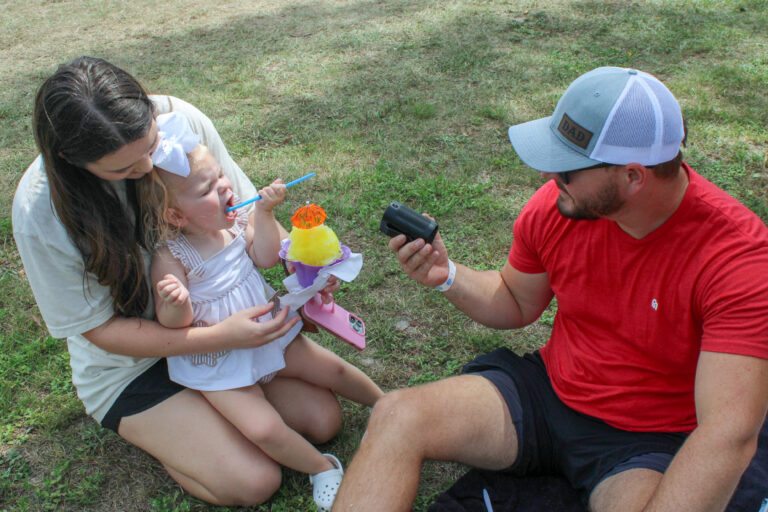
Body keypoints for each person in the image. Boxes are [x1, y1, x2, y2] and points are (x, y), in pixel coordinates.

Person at [332, 67, 768, 512]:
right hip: (549, 395)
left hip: (646, 441)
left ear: (633, 177)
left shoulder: (736, 259)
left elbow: (728, 433)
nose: (547, 173)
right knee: (397, 416)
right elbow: (516, 299)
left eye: (569, 168)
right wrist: (446, 275)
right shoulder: (560, 207)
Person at [12, 56, 346, 507]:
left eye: (151, 144)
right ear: (71, 160)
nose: (148, 164)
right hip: (134, 367)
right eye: (125, 169)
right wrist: (217, 337)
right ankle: (178, 437)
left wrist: (300, 269)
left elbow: (243, 211)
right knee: (254, 481)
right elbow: (100, 330)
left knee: (325, 420)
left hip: (225, 333)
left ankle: (209, 417)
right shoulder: (41, 210)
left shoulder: (179, 119)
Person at [143, 112, 383, 510]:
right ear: (176, 216)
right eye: (207, 188)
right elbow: (176, 328)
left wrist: (265, 215)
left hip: (272, 330)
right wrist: (174, 304)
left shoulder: (236, 224)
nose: (224, 187)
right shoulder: (171, 257)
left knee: (332, 368)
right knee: (263, 428)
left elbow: (268, 256)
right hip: (218, 360)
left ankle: (387, 406)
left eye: (220, 176)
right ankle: (322, 468)